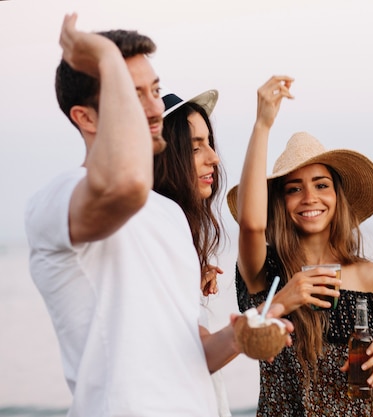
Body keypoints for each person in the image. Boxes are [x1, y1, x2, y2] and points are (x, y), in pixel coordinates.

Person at [24, 15, 291, 416]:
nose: (154, 109)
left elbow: (194, 351)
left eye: (155, 90)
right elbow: (127, 184)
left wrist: (246, 331)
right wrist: (102, 55)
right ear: (86, 117)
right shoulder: (57, 199)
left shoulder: (169, 215)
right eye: (132, 95)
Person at [226, 75, 373, 416]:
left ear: (337, 196)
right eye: (294, 188)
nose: (310, 197)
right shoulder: (267, 271)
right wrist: (262, 124)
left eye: (321, 185)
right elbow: (251, 224)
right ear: (279, 201)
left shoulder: (368, 275)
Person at [154, 88, 230, 416]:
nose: (213, 158)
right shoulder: (157, 226)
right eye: (195, 147)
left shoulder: (178, 228)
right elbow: (193, 353)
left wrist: (189, 278)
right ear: (163, 156)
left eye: (209, 143)